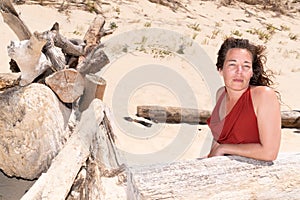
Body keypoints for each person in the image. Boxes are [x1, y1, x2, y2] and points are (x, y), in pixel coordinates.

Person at [206, 37, 281, 161]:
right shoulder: (221, 94)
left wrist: (224, 148)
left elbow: (270, 153)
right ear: (220, 69)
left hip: (255, 174)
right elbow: (218, 140)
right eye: (232, 64)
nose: (239, 72)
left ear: (251, 72)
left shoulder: (263, 96)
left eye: (246, 66)